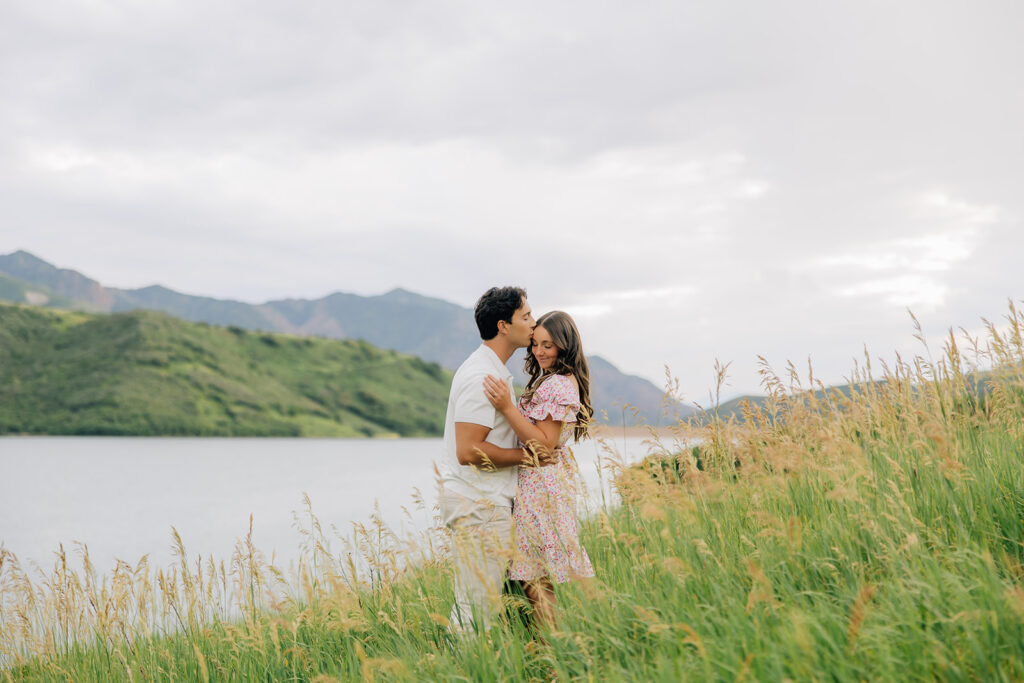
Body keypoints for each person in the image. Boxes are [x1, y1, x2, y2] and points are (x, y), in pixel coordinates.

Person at [437, 286, 548, 633]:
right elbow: (468, 450)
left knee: (488, 606)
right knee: (475, 612)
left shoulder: (494, 371)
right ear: (503, 325)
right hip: (478, 505)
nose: (533, 323)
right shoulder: (480, 377)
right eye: (526, 316)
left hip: (486, 503)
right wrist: (530, 457)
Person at [482, 310, 595, 630]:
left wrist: (506, 407)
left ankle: (550, 659)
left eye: (549, 345)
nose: (540, 351)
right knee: (534, 581)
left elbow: (544, 446)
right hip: (539, 484)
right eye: (535, 344)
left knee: (536, 582)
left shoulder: (558, 385)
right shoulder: (552, 380)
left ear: (565, 345)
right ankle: (546, 653)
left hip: (539, 489)